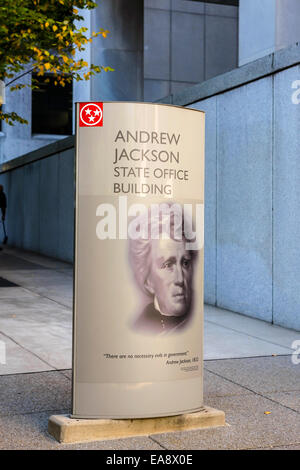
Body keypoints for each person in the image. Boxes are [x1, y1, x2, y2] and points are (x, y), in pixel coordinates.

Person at [128, 203, 196, 335]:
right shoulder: (139, 326)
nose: (180, 279)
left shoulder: (193, 320)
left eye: (185, 263)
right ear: (148, 281)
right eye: (167, 265)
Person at [0, 185, 7, 250]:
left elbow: (3, 207)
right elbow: (3, 207)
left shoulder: (2, 195)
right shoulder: (2, 195)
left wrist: (3, 215)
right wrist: (3, 215)